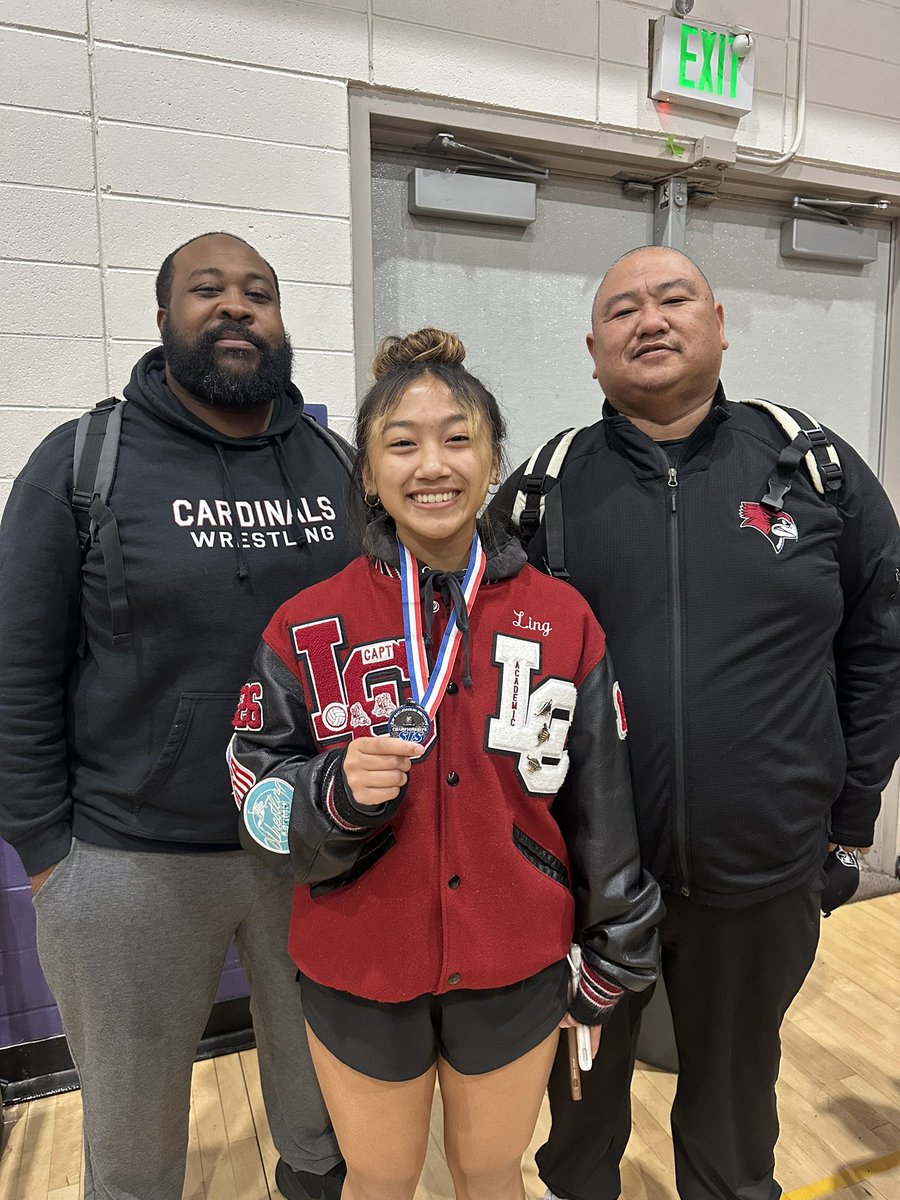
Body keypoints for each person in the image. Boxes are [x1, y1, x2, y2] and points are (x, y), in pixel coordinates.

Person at [493, 246, 900, 1200]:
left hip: (762, 872)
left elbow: (880, 647)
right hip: (589, 882)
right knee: (582, 1104)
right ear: (594, 351)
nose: (652, 319)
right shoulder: (545, 491)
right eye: (624, 308)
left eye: (674, 298)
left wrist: (849, 821)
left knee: (731, 1109)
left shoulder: (818, 470)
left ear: (719, 323)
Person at [229, 328, 662, 1200]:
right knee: (381, 1178)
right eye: (402, 442)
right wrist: (332, 793)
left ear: (494, 460)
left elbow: (602, 798)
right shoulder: (308, 623)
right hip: (359, 964)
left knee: (490, 1170)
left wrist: (617, 945)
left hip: (517, 959)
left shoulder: (563, 618)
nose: (433, 464)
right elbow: (253, 797)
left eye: (458, 438)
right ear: (368, 473)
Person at [0, 233, 355, 1200]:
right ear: (164, 319)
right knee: (133, 1140)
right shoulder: (82, 463)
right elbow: (16, 666)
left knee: (323, 1110)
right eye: (208, 290)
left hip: (309, 845)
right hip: (130, 858)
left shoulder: (334, 466)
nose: (236, 307)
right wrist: (46, 854)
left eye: (260, 293)